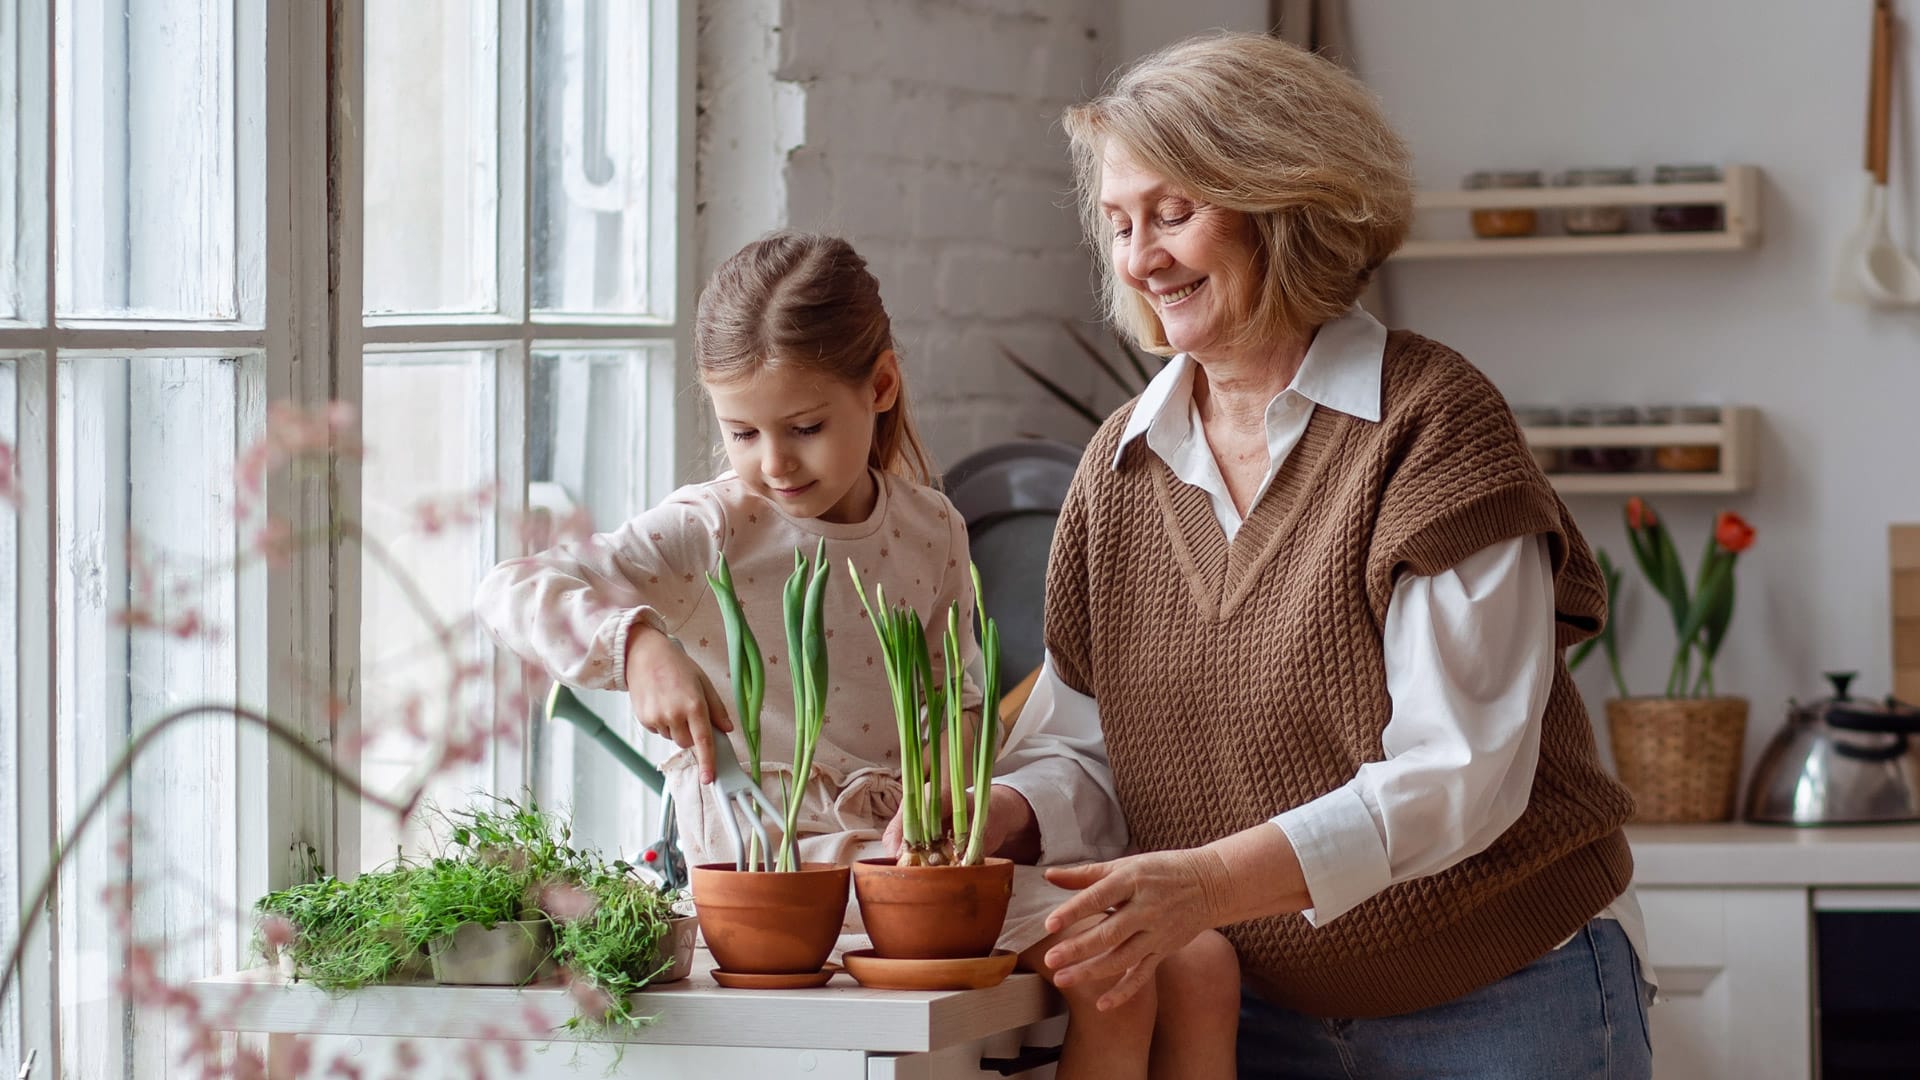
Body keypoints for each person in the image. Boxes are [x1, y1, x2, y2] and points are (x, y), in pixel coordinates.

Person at [983, 32, 1657, 1080]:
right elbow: (1091, 751)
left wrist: (1203, 887)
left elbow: (1457, 777)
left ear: (1281, 201)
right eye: (1119, 224)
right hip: (1257, 1015)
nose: (1139, 258)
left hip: (1502, 1001)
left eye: (1172, 213)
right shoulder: (1118, 470)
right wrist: (1007, 814)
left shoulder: (1431, 426)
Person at [474, 230, 1239, 1079]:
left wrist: (949, 789)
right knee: (1118, 979)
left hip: (909, 865)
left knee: (1202, 961)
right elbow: (512, 586)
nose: (773, 463)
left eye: (803, 427)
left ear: (879, 386)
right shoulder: (714, 527)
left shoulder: (931, 527)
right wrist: (638, 643)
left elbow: (960, 697)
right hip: (787, 881)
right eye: (742, 432)